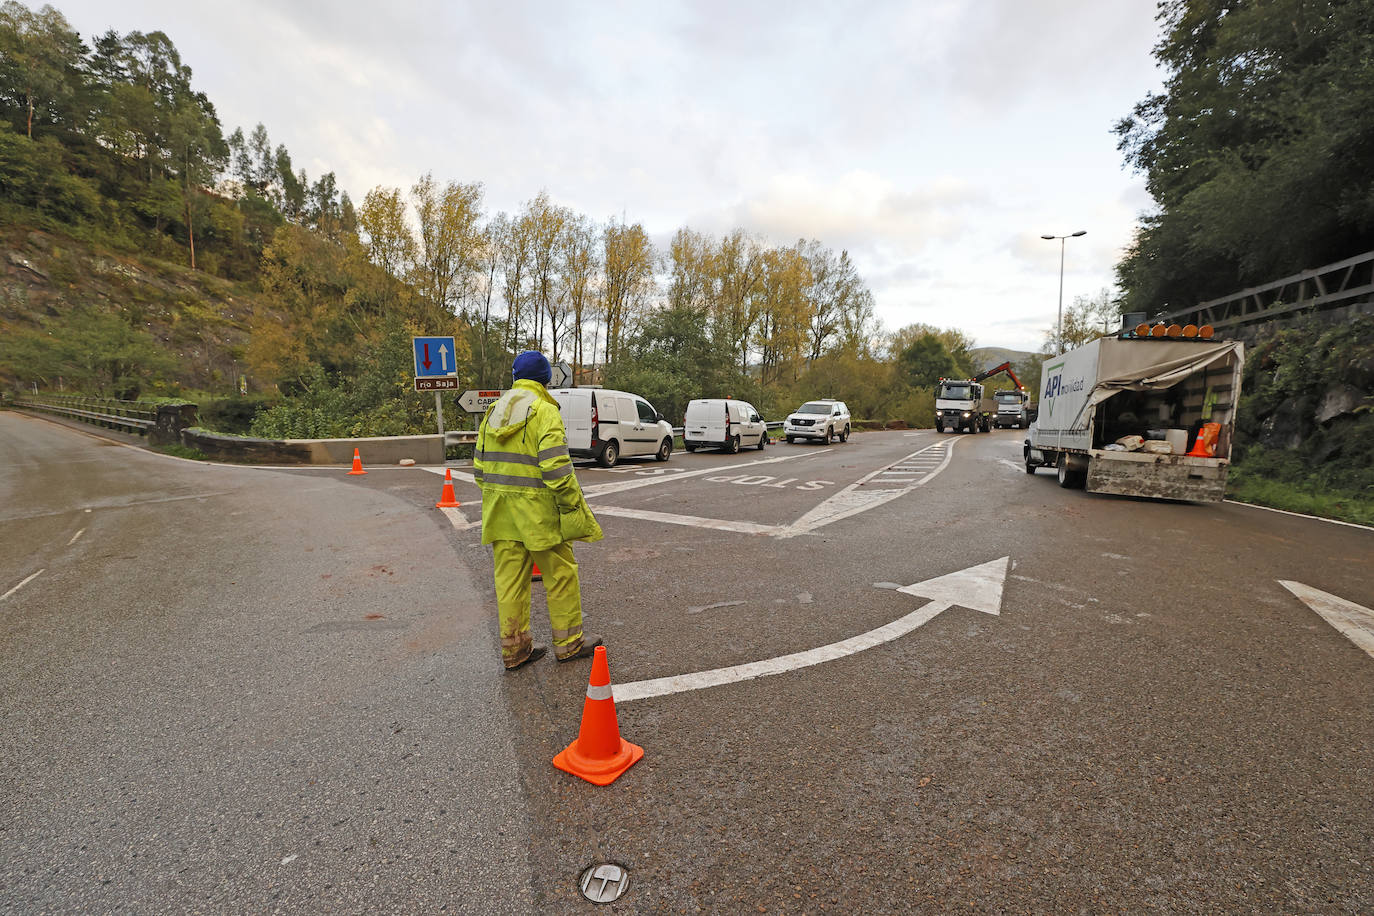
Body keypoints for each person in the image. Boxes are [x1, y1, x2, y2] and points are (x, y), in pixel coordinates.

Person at [473, 351, 603, 670]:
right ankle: (569, 644)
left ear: (515, 378)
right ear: (546, 380)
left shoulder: (493, 412)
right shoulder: (544, 411)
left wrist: (502, 497)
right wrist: (571, 504)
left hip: (500, 516)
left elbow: (479, 469)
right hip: (539, 517)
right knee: (560, 575)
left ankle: (515, 651)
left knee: (509, 583)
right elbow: (556, 468)